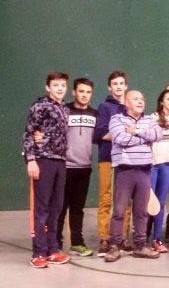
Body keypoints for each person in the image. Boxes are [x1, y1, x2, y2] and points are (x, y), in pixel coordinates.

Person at [104, 90, 163, 262]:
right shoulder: (117, 119)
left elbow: (158, 135)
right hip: (125, 170)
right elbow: (120, 138)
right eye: (135, 99)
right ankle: (114, 246)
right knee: (120, 210)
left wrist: (136, 131)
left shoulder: (149, 119)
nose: (140, 101)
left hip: (144, 170)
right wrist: (145, 138)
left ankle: (140, 245)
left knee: (141, 211)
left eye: (142, 98)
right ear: (126, 103)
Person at [23, 71, 71, 268]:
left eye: (62, 85)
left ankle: (52, 250)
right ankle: (38, 253)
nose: (60, 88)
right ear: (48, 87)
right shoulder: (40, 106)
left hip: (61, 162)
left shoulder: (65, 110)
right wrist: (31, 160)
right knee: (41, 208)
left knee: (56, 208)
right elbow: (28, 133)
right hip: (43, 161)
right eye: (56, 85)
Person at [56, 78, 97, 257]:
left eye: (88, 92)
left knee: (78, 208)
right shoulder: (64, 111)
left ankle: (77, 243)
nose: (84, 95)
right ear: (74, 92)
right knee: (60, 207)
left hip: (84, 168)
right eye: (81, 91)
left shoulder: (95, 114)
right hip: (65, 167)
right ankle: (56, 243)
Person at [94, 71, 132, 256]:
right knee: (106, 198)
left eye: (121, 83)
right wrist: (123, 135)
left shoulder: (131, 107)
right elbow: (101, 133)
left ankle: (122, 238)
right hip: (107, 158)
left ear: (126, 86)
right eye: (115, 83)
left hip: (127, 160)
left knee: (124, 200)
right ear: (110, 87)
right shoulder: (104, 107)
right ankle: (104, 238)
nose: (118, 86)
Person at [148, 89, 169, 253]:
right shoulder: (152, 118)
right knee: (147, 202)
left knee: (160, 203)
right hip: (152, 165)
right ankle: (140, 237)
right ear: (162, 102)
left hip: (168, 165)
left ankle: (156, 239)